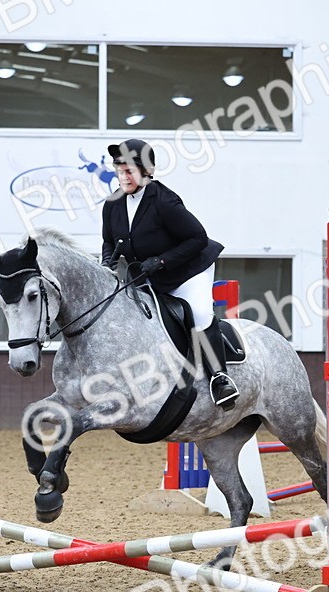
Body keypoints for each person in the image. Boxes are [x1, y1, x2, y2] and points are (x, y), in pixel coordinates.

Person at [101, 138, 239, 407]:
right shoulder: (112, 203)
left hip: (188, 270)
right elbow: (109, 241)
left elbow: (198, 238)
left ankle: (220, 378)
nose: (123, 176)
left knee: (199, 313)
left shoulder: (164, 201)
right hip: (148, 275)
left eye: (129, 170)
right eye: (119, 169)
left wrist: (162, 261)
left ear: (146, 171)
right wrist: (107, 263)